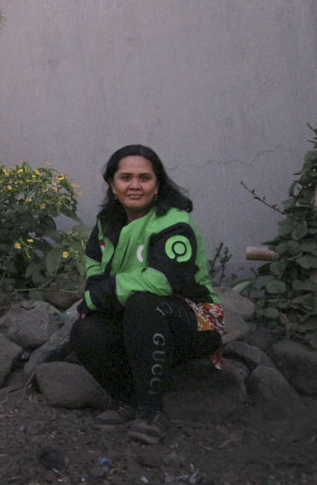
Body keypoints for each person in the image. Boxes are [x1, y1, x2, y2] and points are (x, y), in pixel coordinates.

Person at [69, 144, 224, 445]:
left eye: (145, 178)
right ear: (112, 184)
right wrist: (94, 293)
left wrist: (101, 295)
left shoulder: (173, 221)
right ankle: (125, 400)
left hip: (199, 320)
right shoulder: (107, 222)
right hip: (138, 321)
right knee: (86, 330)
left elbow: (164, 280)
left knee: (143, 303)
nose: (135, 185)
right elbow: (94, 264)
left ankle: (152, 411)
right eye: (126, 177)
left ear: (157, 185)